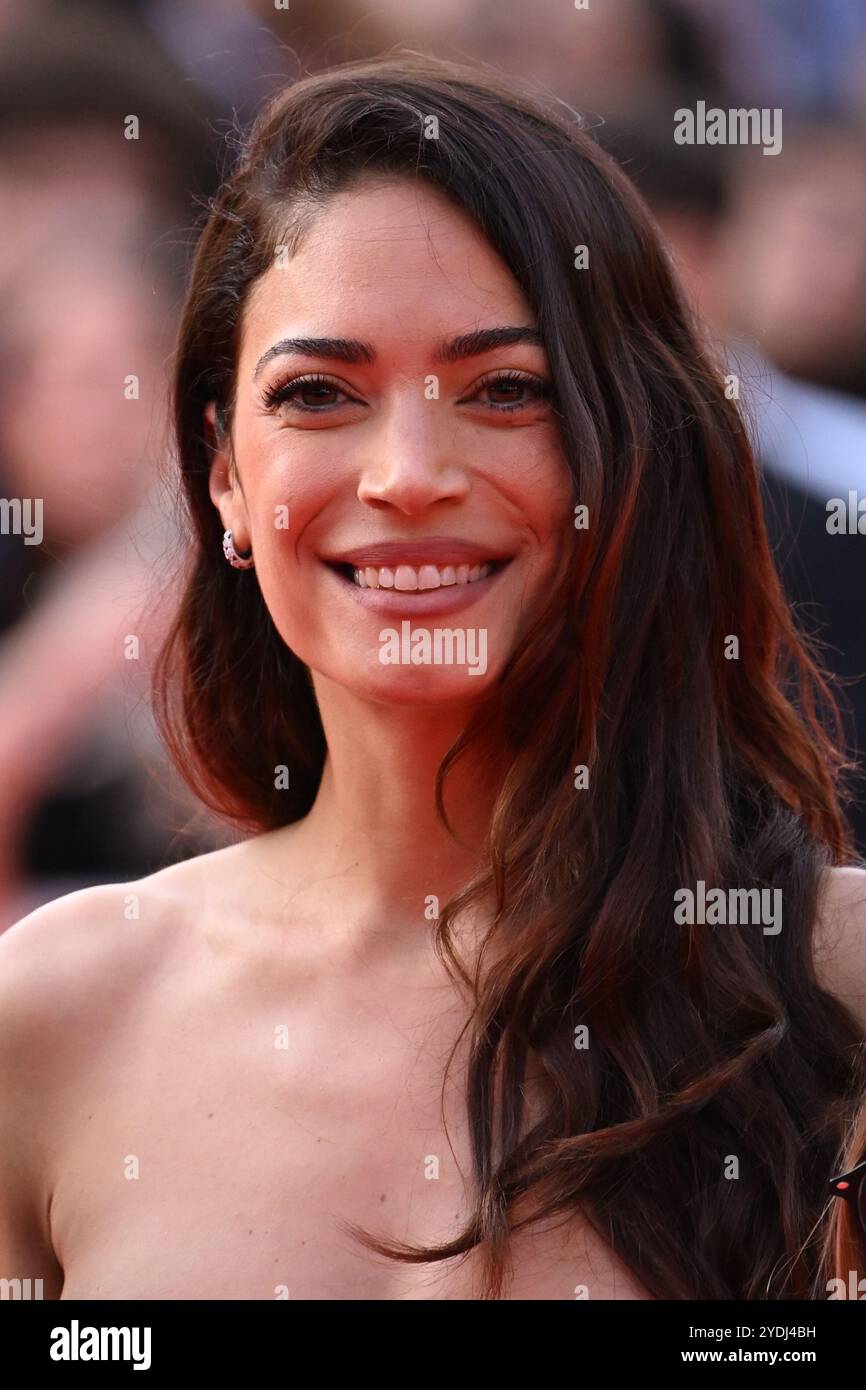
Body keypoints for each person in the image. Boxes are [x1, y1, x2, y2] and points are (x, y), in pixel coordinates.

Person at [2, 53, 866, 1302]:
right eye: (316, 393)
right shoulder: (59, 1014)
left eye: (503, 389)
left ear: (628, 449)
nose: (408, 473)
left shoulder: (836, 988)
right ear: (224, 472)